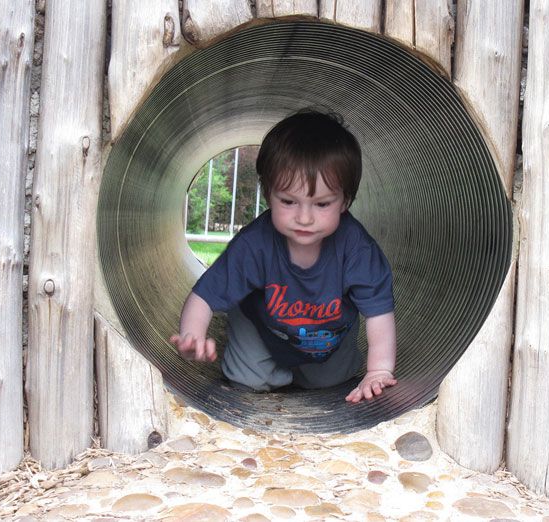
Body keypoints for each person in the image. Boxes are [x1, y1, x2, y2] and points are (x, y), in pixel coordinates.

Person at [170, 109, 397, 403]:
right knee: (248, 380)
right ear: (268, 194)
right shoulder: (255, 245)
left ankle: (309, 370)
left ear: (345, 201)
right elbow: (204, 295)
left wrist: (379, 370)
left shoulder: (357, 250)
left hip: (328, 335)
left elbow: (379, 312)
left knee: (330, 382)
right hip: (263, 327)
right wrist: (192, 336)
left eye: (321, 204)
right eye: (289, 201)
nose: (304, 217)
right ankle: (267, 360)